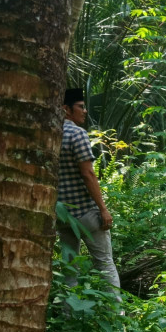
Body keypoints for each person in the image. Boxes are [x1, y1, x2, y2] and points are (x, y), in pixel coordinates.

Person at [57, 88, 121, 295]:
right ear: (66, 109)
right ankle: (115, 316)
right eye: (80, 107)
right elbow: (88, 175)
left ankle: (69, 320)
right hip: (86, 213)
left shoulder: (49, 134)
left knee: (69, 269)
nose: (85, 111)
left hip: (62, 215)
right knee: (105, 265)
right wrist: (103, 209)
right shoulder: (77, 134)